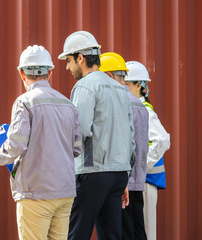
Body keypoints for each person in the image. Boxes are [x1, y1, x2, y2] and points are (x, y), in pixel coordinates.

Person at [0, 45, 83, 240]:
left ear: (21, 73)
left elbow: (16, 145)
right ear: (50, 73)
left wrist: (0, 155)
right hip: (65, 193)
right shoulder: (68, 104)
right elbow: (77, 148)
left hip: (36, 193)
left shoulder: (24, 102)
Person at [58, 31, 136, 240]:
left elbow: (80, 130)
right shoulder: (120, 89)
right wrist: (123, 176)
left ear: (80, 58)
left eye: (68, 60)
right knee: (111, 235)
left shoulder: (84, 86)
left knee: (76, 234)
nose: (67, 67)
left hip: (92, 172)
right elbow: (130, 135)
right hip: (119, 173)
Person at [100, 53, 149, 240]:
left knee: (122, 233)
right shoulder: (139, 104)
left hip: (121, 182)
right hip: (137, 181)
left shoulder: (117, 103)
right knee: (137, 231)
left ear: (109, 77)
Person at [125, 61, 171, 240]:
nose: (123, 88)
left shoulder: (144, 110)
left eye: (126, 84)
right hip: (139, 181)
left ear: (140, 86)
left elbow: (162, 139)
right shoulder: (135, 107)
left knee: (146, 233)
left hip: (145, 181)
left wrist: (141, 165)